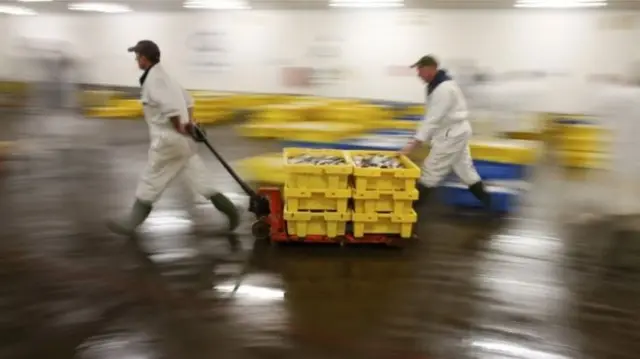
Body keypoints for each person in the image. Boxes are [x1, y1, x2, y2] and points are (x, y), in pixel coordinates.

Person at [108, 40, 239, 235]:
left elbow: (171, 108)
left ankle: (132, 222)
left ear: (144, 58)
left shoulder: (155, 80)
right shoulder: (165, 77)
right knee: (201, 179)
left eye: (137, 56)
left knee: (151, 180)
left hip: (168, 141)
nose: (136, 60)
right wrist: (190, 124)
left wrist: (182, 127)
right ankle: (232, 212)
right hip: (184, 143)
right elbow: (189, 101)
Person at [400, 55, 492, 211]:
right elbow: (433, 118)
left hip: (452, 134)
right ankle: (488, 202)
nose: (418, 74)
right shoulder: (436, 86)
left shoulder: (444, 89)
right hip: (455, 132)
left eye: (420, 70)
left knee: (430, 171)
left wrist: (413, 144)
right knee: (465, 171)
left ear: (431, 69)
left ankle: (409, 209)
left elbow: (432, 119)